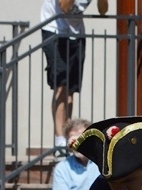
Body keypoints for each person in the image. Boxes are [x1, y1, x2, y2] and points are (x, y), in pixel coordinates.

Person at [40, 0, 108, 151]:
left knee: (71, 90)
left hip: (76, 33)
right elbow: (65, 7)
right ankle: (59, 141)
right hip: (54, 30)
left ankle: (67, 137)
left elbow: (103, 10)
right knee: (61, 86)